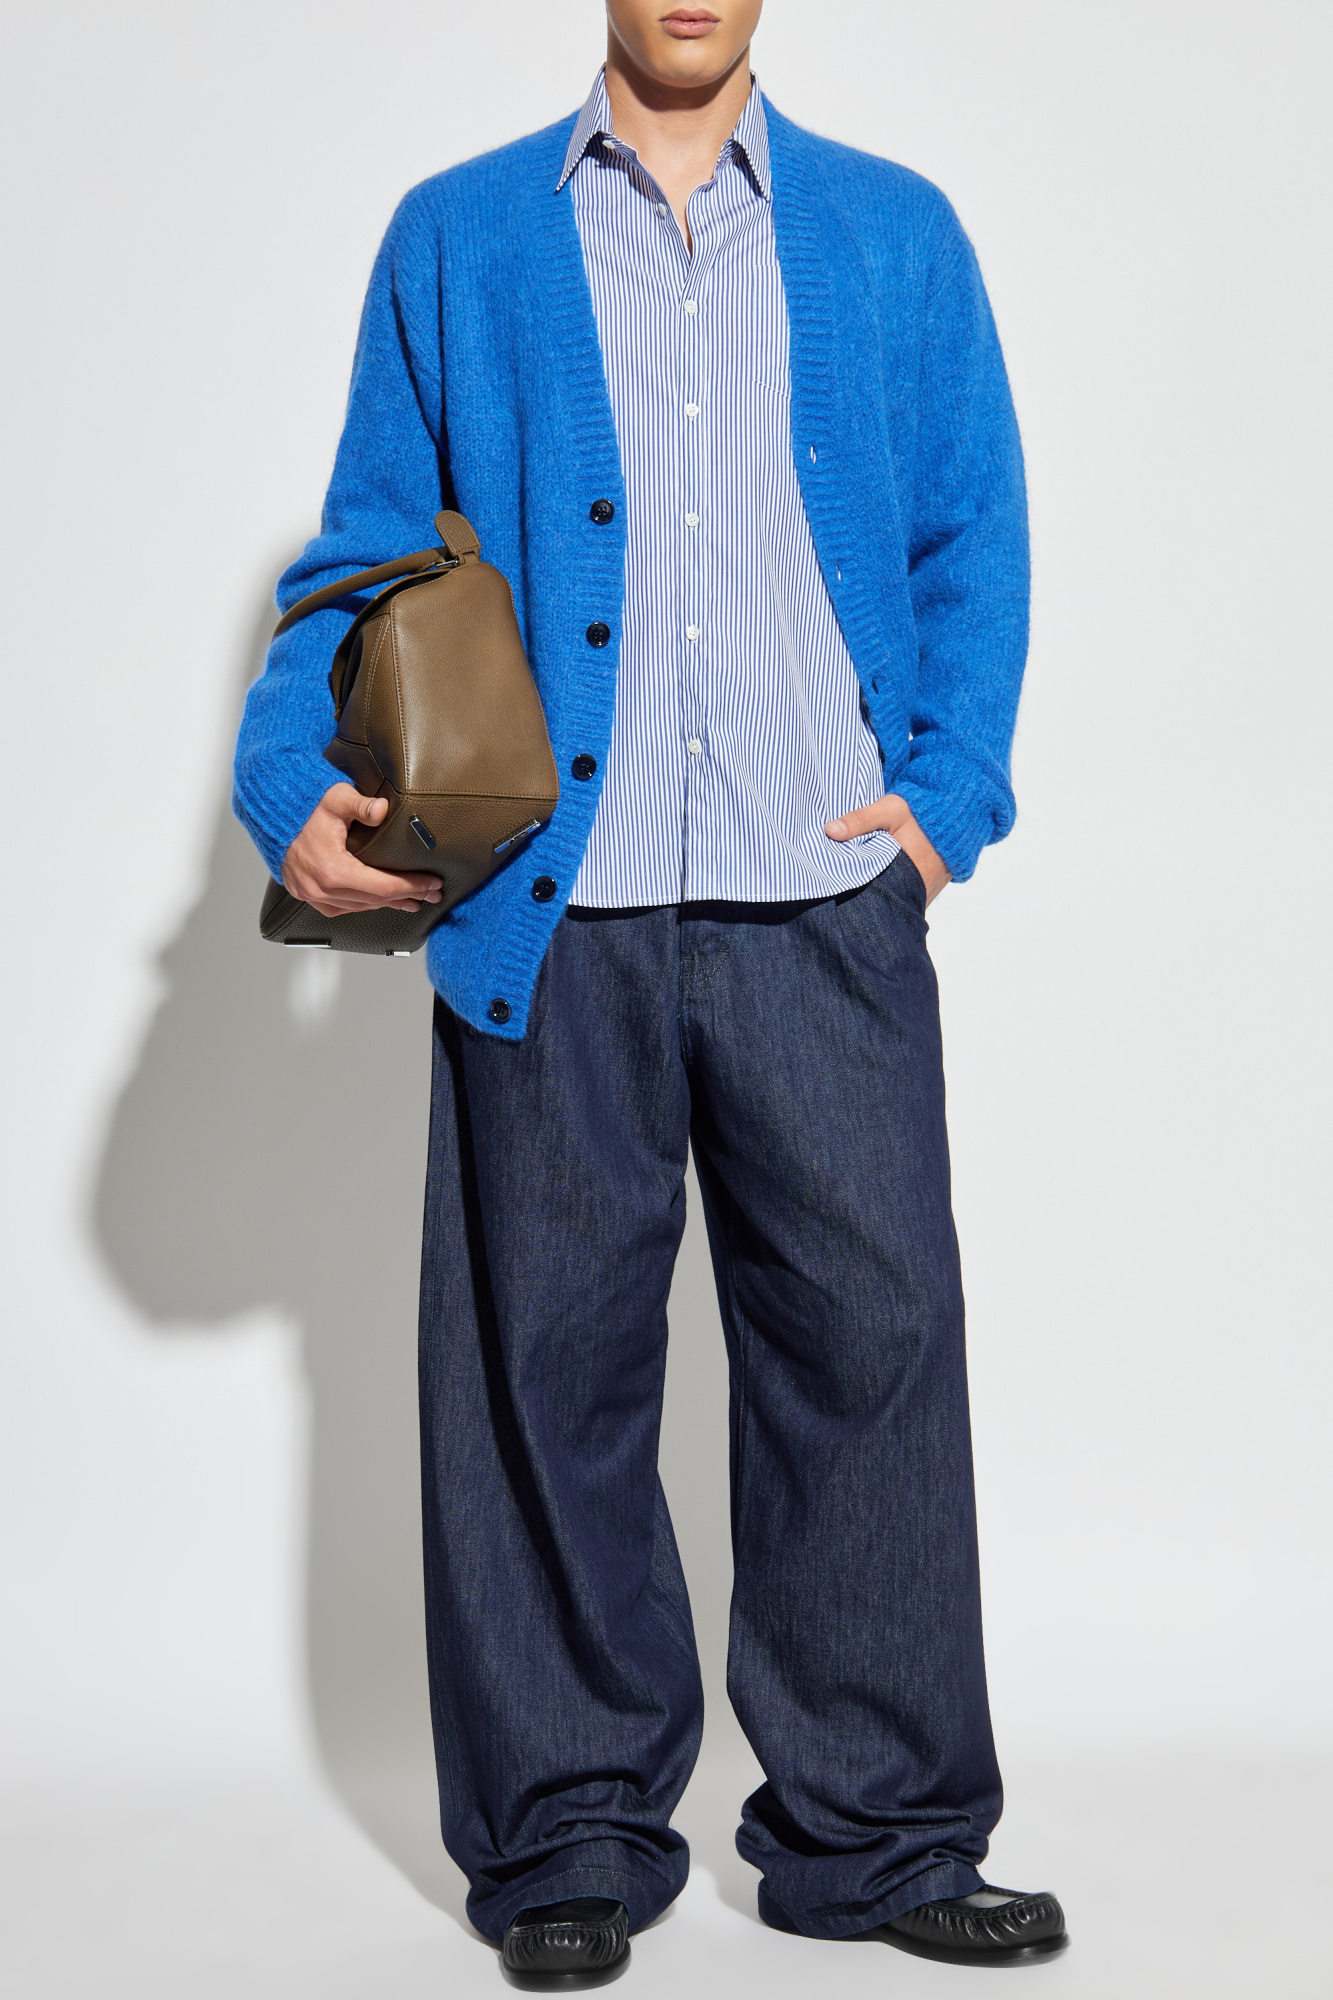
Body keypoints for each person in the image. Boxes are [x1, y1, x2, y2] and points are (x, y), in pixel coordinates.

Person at [233, 0, 1067, 1978]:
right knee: (544, 1375)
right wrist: (284, 780)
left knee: (869, 1352)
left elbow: (971, 530)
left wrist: (946, 798)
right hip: (555, 907)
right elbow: (362, 553)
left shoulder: (891, 231)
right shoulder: (461, 234)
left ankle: (877, 1835)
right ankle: (566, 1838)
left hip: (819, 891)